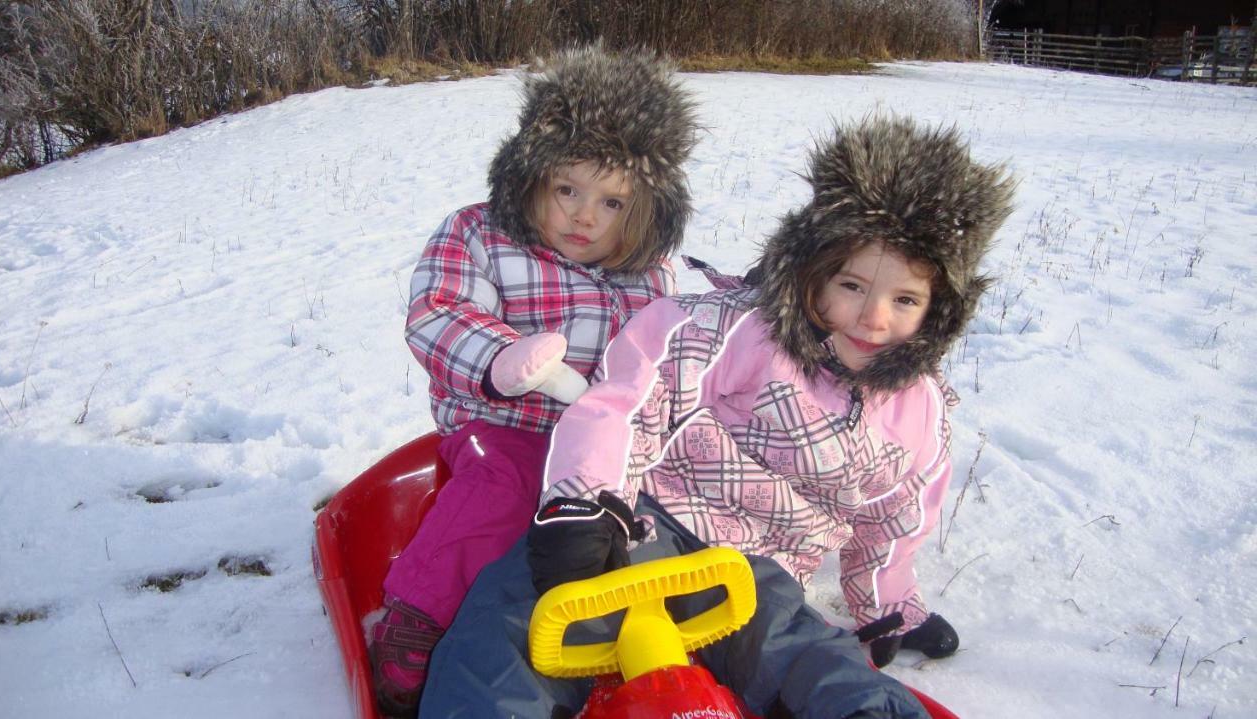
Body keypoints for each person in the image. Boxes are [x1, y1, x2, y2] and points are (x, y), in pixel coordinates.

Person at [421, 116, 1014, 717]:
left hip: (751, 576)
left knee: (808, 654)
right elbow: (626, 404)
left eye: (905, 300)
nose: (875, 318)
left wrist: (888, 608)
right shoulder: (735, 333)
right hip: (642, 524)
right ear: (812, 272)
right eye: (852, 285)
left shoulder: (918, 411)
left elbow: (894, 519)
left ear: (939, 311)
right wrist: (586, 500)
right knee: (515, 621)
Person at [369, 45, 698, 717]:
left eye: (612, 202)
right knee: (504, 490)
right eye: (567, 190)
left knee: (653, 512)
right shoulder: (480, 234)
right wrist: (500, 359)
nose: (584, 217)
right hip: (503, 424)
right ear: (532, 177)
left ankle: (644, 633)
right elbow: (437, 311)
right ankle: (418, 616)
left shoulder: (648, 273)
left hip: (604, 444)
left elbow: (665, 349)